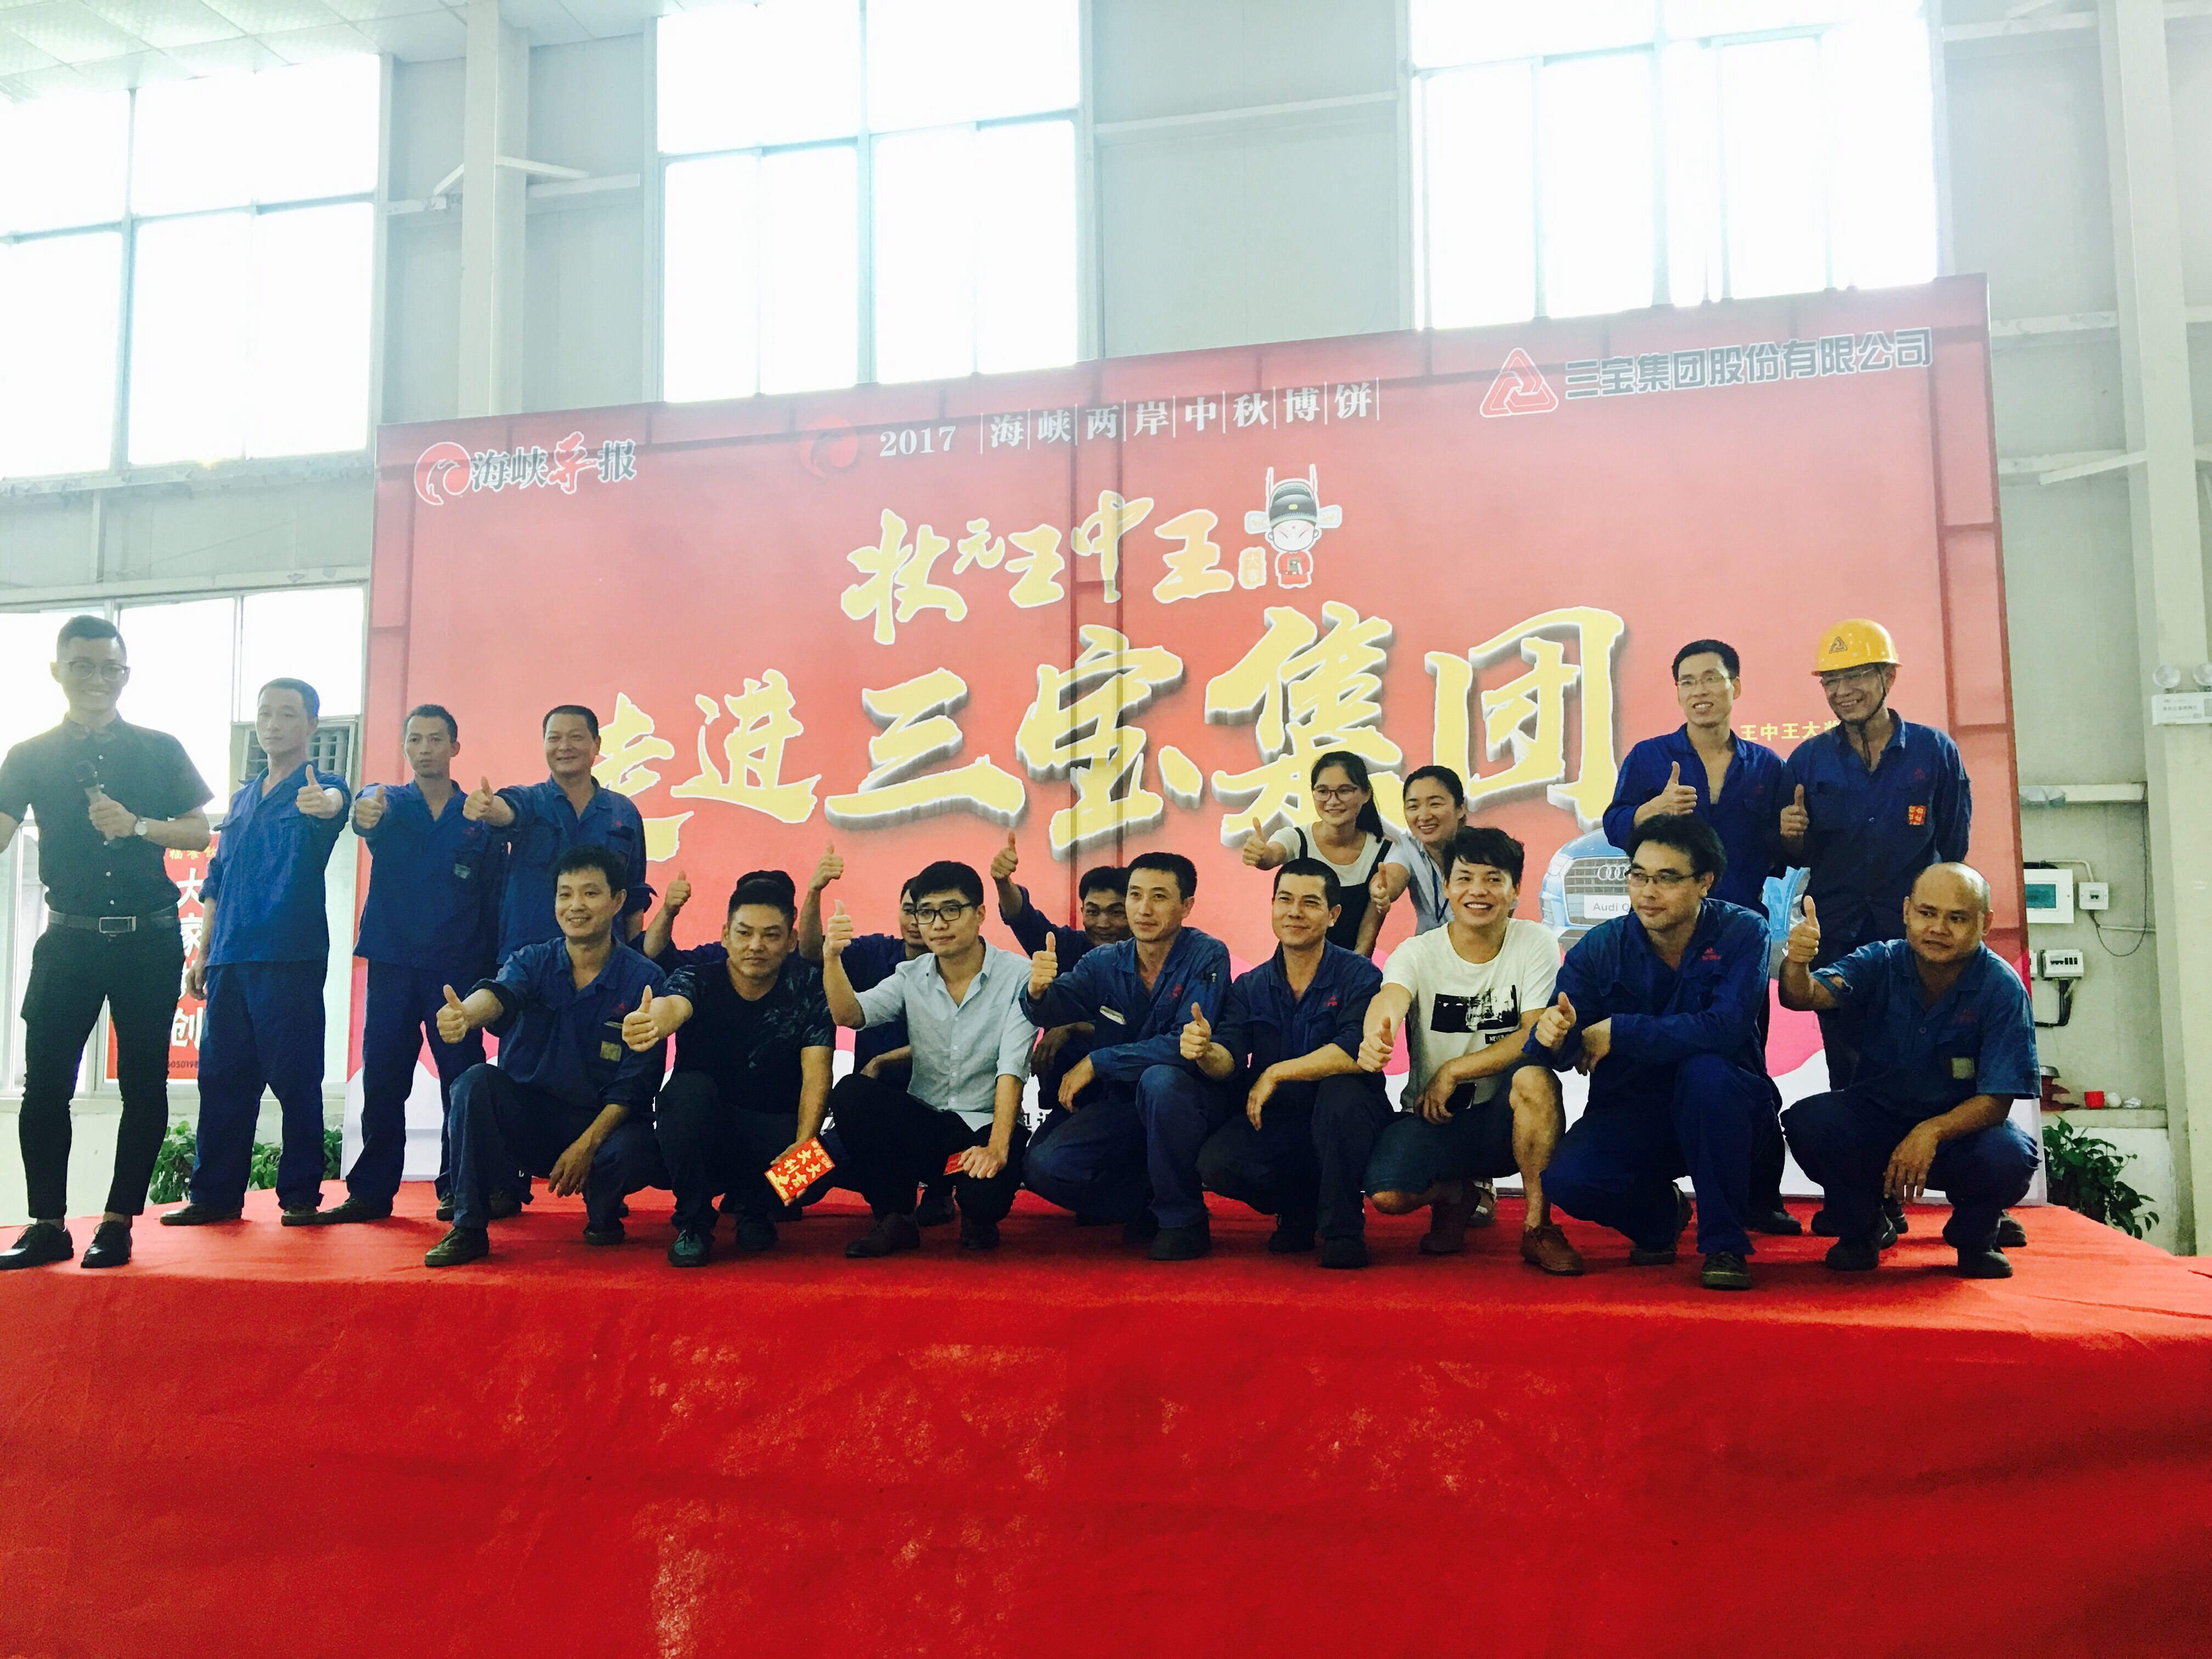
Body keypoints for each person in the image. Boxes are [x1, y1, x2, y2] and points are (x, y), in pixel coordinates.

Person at [0, 617, 213, 1271]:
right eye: (83, 666)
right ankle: (47, 1225)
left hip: (149, 940)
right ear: (58, 672)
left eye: (110, 668)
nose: (98, 679)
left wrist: (138, 825)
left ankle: (118, 1224)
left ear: (126, 675)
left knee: (144, 1084)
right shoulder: (29, 755)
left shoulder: (159, 748)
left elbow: (199, 832)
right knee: (45, 1087)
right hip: (67, 940)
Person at [1779, 618, 1987, 1243]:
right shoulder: (1808, 760)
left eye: (1857, 677)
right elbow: (1791, 856)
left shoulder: (1934, 753)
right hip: (1840, 938)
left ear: (1888, 677)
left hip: (1920, 945)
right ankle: (1864, 1204)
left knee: (1936, 1065)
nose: (1843, 692)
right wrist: (1790, 836)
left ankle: (1980, 1202)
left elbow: (1953, 851)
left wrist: (1943, 923)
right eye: (1831, 681)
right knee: (1848, 1072)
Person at [1601, 639, 1798, 1238]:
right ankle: (1654, 1183)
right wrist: (1651, 810)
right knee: (1661, 1060)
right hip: (1665, 936)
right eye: (1687, 682)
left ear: (1735, 686)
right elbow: (1614, 825)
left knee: (1747, 1061)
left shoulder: (1766, 765)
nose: (1700, 691)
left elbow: (1780, 850)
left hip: (1739, 940)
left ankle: (1760, 1196)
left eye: (1711, 678)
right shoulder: (1651, 756)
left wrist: (1793, 834)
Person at [1530, 816, 1775, 1291]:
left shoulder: (1744, 933)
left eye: (1666, 878)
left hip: (1728, 1113)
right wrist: (1554, 1036)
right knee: (1569, 1180)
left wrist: (1621, 1032)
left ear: (1705, 881)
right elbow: (1566, 1044)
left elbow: (1725, 1029)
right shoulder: (1599, 947)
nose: (1647, 892)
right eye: (1638, 876)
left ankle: (1724, 1244)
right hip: (1633, 1110)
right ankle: (1662, 1218)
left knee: (1707, 1074)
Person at [1779, 865, 2039, 1278]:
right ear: (1906, 911)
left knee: (2009, 1155)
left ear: (1986, 923)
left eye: (1957, 918)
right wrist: (1797, 963)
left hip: (1957, 1138)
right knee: (1809, 1122)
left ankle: (1976, 1239)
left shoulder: (2003, 988)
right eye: (1927, 913)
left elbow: (1996, 1102)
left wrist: (1930, 1132)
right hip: (1877, 1124)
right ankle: (1863, 1229)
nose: (1938, 928)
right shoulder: (1878, 961)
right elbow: (1804, 996)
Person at [160, 680, 351, 1228]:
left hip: (288, 956)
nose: (273, 724)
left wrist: (325, 804)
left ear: (311, 725)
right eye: (266, 713)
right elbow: (216, 880)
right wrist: (202, 953)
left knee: (296, 1079)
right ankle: (215, 1195)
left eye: (287, 714)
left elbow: (335, 804)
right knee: (222, 1081)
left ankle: (300, 1196)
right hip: (228, 959)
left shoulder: (322, 785)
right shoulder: (243, 797)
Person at [424, 847, 668, 1266]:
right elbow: (499, 995)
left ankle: (606, 1207)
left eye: (590, 893)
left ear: (617, 901)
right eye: (565, 894)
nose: (576, 906)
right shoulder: (532, 960)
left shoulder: (645, 979)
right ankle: (468, 1227)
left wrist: (585, 1147)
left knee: (639, 1144)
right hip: (531, 1120)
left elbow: (636, 1087)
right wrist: (467, 1014)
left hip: (603, 1125)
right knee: (473, 1083)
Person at [1357, 827, 1578, 1275]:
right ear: (1446, 887)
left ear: (1515, 891)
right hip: (1435, 1113)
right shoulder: (1417, 952)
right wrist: (1377, 1034)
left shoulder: (1534, 941)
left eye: (1493, 879)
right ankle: (1458, 1195)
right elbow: (1391, 998)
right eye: (1465, 878)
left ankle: (1538, 1227)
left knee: (1535, 1078)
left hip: (1505, 1117)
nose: (1478, 891)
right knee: (1387, 1193)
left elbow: (1533, 1033)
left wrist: (1455, 1069)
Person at [308, 704, 496, 1226]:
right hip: (393, 963)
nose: (424, 749)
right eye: (415, 739)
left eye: (436, 739)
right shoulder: (389, 802)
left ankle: (458, 1188)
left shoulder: (477, 817)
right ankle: (371, 1191)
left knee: (461, 1080)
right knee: (385, 1078)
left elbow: (492, 897)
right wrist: (362, 810)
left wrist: (490, 972)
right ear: (405, 747)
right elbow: (366, 806)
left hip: (456, 969)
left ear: (454, 747)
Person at [1019, 852, 1233, 1260]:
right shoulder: (1103, 961)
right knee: (1044, 1166)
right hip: (1122, 1104)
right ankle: (1143, 1201)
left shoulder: (1207, 955)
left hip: (1190, 1101)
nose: (1143, 909)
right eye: (1135, 895)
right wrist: (1037, 991)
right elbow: (1056, 1005)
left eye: (1159, 897)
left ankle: (1183, 1219)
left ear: (1186, 906)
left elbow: (1182, 1046)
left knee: (1161, 1080)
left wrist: (1098, 1061)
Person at [819, 861, 1034, 1256]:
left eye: (951, 910)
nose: (937, 924)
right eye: (925, 912)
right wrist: (831, 957)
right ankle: (895, 1216)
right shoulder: (906, 972)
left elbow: (1012, 1065)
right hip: (920, 1124)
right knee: (798, 1169)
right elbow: (850, 1015)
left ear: (980, 913)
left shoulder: (1019, 974)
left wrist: (997, 1147)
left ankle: (967, 1210)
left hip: (984, 1125)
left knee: (984, 1199)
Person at [626, 870, 837, 1266]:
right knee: (684, 1093)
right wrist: (653, 1022)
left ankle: (757, 1211)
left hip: (774, 1136)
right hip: (708, 1139)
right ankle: (693, 1223)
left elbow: (817, 1073)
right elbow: (674, 1006)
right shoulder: (697, 978)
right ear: (726, 935)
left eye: (771, 935)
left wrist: (805, 1142)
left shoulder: (811, 986)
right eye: (744, 933)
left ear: (791, 940)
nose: (756, 945)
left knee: (818, 1160)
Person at [1187, 860, 1387, 1268]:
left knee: (1341, 1093)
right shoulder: (1250, 985)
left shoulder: (1360, 975)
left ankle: (1343, 1229)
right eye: (1285, 900)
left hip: (1349, 1117)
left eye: (1310, 903)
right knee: (1217, 1162)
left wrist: (1277, 1072)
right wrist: (1205, 1050)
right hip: (1282, 1117)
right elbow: (1228, 1058)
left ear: (1333, 915)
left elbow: (1355, 1050)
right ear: (1273, 907)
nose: (1295, 912)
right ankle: (1300, 1208)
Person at [795, 843, 949, 1222]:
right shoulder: (875, 952)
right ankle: (754, 1199)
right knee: (789, 1183)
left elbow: (957, 1040)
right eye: (910, 910)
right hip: (867, 1110)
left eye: (926, 912)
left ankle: (938, 1190)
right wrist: (814, 890)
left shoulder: (959, 967)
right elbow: (811, 950)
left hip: (932, 1111)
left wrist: (882, 1060)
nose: (916, 921)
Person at [469, 705, 653, 963]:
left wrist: (633, 962)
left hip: (604, 963)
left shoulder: (623, 811)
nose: (564, 746)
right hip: (528, 962)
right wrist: (489, 808)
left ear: (597, 744)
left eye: (575, 737)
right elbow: (508, 810)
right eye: (554, 738)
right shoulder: (531, 800)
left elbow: (633, 896)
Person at [988, 834, 1131, 1115]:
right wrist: (1003, 883)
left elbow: (1140, 1033)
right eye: (1093, 912)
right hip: (1070, 1097)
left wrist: (1072, 1028)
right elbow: (1023, 919)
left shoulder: (1150, 956)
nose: (1103, 923)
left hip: (1130, 1088)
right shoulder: (1067, 946)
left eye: (1116, 912)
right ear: (1082, 910)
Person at [1240, 750, 1393, 953]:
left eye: (1344, 791)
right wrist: (1260, 854)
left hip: (1352, 965)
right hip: (1294, 963)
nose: (1333, 800)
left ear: (1366, 794)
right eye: (1323, 791)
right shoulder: (1296, 838)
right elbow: (1272, 855)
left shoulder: (1383, 851)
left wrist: (1354, 973)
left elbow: (1367, 937)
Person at [1361, 764, 1466, 949]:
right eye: (1413, 806)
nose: (1423, 816)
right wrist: (1381, 889)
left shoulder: (1487, 851)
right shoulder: (1408, 849)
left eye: (1435, 804)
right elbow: (1393, 874)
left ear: (1460, 809)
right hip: (1430, 955)